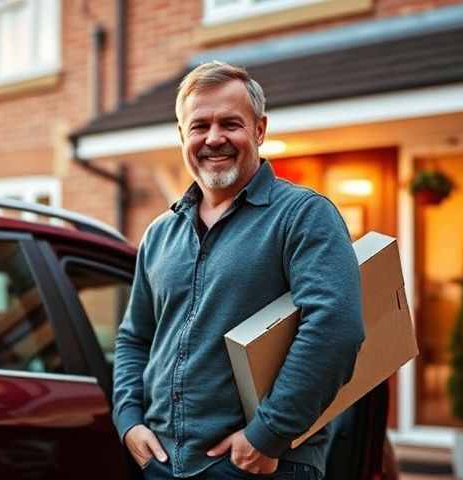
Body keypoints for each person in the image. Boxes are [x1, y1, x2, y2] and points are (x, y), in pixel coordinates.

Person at [112, 61, 365, 480]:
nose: (214, 138)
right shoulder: (159, 233)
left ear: (260, 131)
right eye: (199, 126)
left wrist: (268, 435)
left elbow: (335, 327)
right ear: (182, 136)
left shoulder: (302, 215)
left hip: (258, 466)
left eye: (231, 123)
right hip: (161, 463)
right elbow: (134, 336)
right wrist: (128, 420)